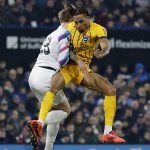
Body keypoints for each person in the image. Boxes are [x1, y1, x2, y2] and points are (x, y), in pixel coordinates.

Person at [29, 2, 125, 146]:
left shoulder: (98, 29)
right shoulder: (69, 29)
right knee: (54, 87)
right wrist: (78, 60)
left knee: (110, 89)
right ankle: (40, 123)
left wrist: (103, 51)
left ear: (88, 18)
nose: (78, 25)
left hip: (83, 71)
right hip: (69, 67)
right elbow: (66, 51)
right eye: (76, 22)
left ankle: (107, 132)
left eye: (81, 21)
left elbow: (105, 44)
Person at [27, 7, 87, 150]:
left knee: (54, 111)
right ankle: (38, 124)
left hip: (34, 75)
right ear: (71, 21)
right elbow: (62, 60)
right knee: (65, 110)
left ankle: (49, 147)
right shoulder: (65, 35)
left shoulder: (52, 34)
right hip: (48, 77)